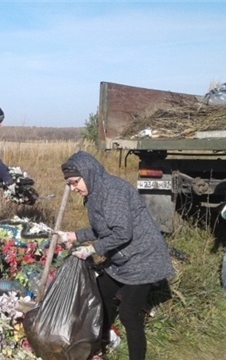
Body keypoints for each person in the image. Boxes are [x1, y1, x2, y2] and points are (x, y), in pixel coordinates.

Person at [56, 151, 175, 360]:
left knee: (129, 313)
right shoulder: (94, 192)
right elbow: (103, 228)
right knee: (102, 291)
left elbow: (121, 232)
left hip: (143, 257)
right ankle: (101, 341)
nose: (74, 188)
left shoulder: (112, 191)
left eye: (75, 182)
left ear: (87, 173)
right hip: (124, 257)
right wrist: (73, 235)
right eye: (70, 184)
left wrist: (92, 249)